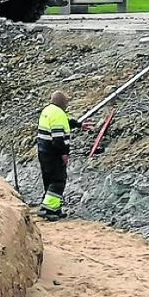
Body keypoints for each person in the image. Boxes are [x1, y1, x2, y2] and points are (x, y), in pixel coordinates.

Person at [35, 90, 89, 221]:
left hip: (43, 150)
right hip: (53, 152)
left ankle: (53, 208)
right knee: (58, 180)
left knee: (48, 179)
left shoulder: (48, 110)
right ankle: (48, 209)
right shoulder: (58, 113)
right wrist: (64, 153)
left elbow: (64, 122)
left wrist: (78, 124)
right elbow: (58, 138)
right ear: (62, 102)